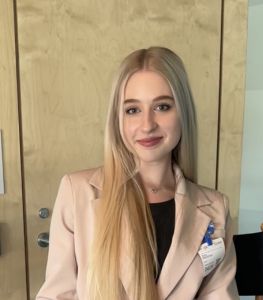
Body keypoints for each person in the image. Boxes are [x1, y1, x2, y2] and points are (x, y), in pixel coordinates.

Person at [36, 46, 239, 300]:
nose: (147, 125)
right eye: (133, 110)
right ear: (118, 119)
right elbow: (56, 295)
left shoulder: (215, 208)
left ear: (183, 113)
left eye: (162, 107)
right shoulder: (77, 192)